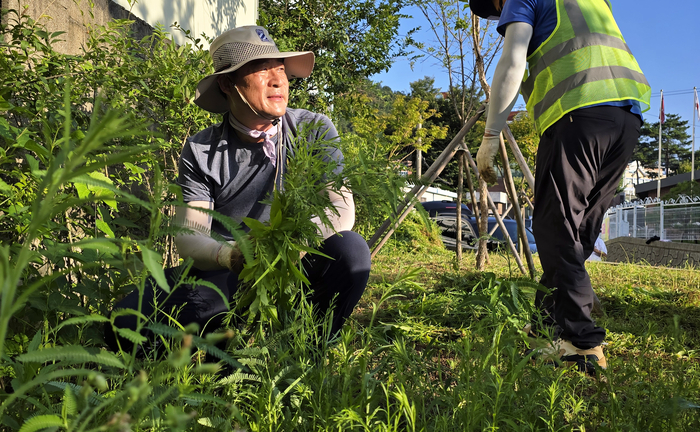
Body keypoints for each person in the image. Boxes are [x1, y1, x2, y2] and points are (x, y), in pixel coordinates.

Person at [105, 26, 371, 353]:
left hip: (299, 263)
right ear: (227, 83)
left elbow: (341, 207)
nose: (279, 80)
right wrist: (231, 254)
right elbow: (189, 236)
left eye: (281, 69)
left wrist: (286, 247)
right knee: (126, 323)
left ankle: (305, 352)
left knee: (351, 252)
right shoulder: (202, 149)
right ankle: (225, 354)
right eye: (262, 68)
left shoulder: (312, 129)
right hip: (230, 269)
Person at [470, 0, 650, 373]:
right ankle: (547, 326)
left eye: (494, 11)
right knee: (580, 228)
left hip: (576, 110)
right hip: (626, 118)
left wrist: (491, 133)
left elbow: (513, 60)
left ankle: (582, 342)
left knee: (554, 226)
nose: (497, 18)